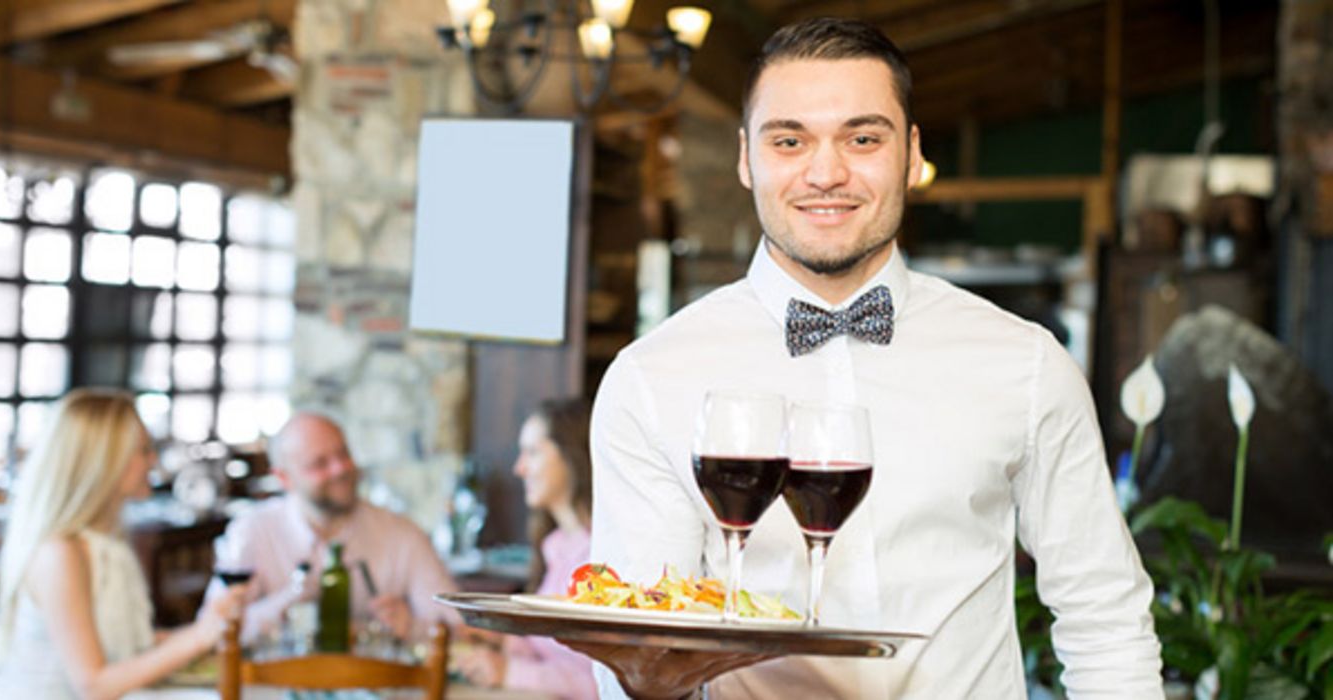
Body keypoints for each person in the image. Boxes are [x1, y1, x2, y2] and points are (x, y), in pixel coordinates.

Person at [577, 17, 1163, 700]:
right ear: (746, 159)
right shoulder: (650, 378)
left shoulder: (1026, 363)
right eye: (789, 140)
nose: (825, 173)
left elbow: (1105, 617)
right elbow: (641, 642)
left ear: (910, 154)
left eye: (861, 138)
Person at [0, 389, 246, 699]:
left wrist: (207, 628)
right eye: (143, 450)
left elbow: (129, 646)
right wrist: (197, 637)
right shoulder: (60, 552)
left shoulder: (105, 542)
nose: (153, 461)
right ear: (104, 460)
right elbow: (93, 685)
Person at [202, 411, 459, 645]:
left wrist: (413, 627)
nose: (340, 469)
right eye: (319, 464)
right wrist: (289, 599)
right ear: (284, 478)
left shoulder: (403, 535)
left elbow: (456, 627)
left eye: (343, 454)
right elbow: (211, 631)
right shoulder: (252, 531)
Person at [455, 398, 598, 699]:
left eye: (532, 452)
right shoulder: (559, 546)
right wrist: (499, 641)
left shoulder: (599, 559)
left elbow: (600, 683)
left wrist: (508, 671)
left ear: (571, 456)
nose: (519, 469)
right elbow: (551, 649)